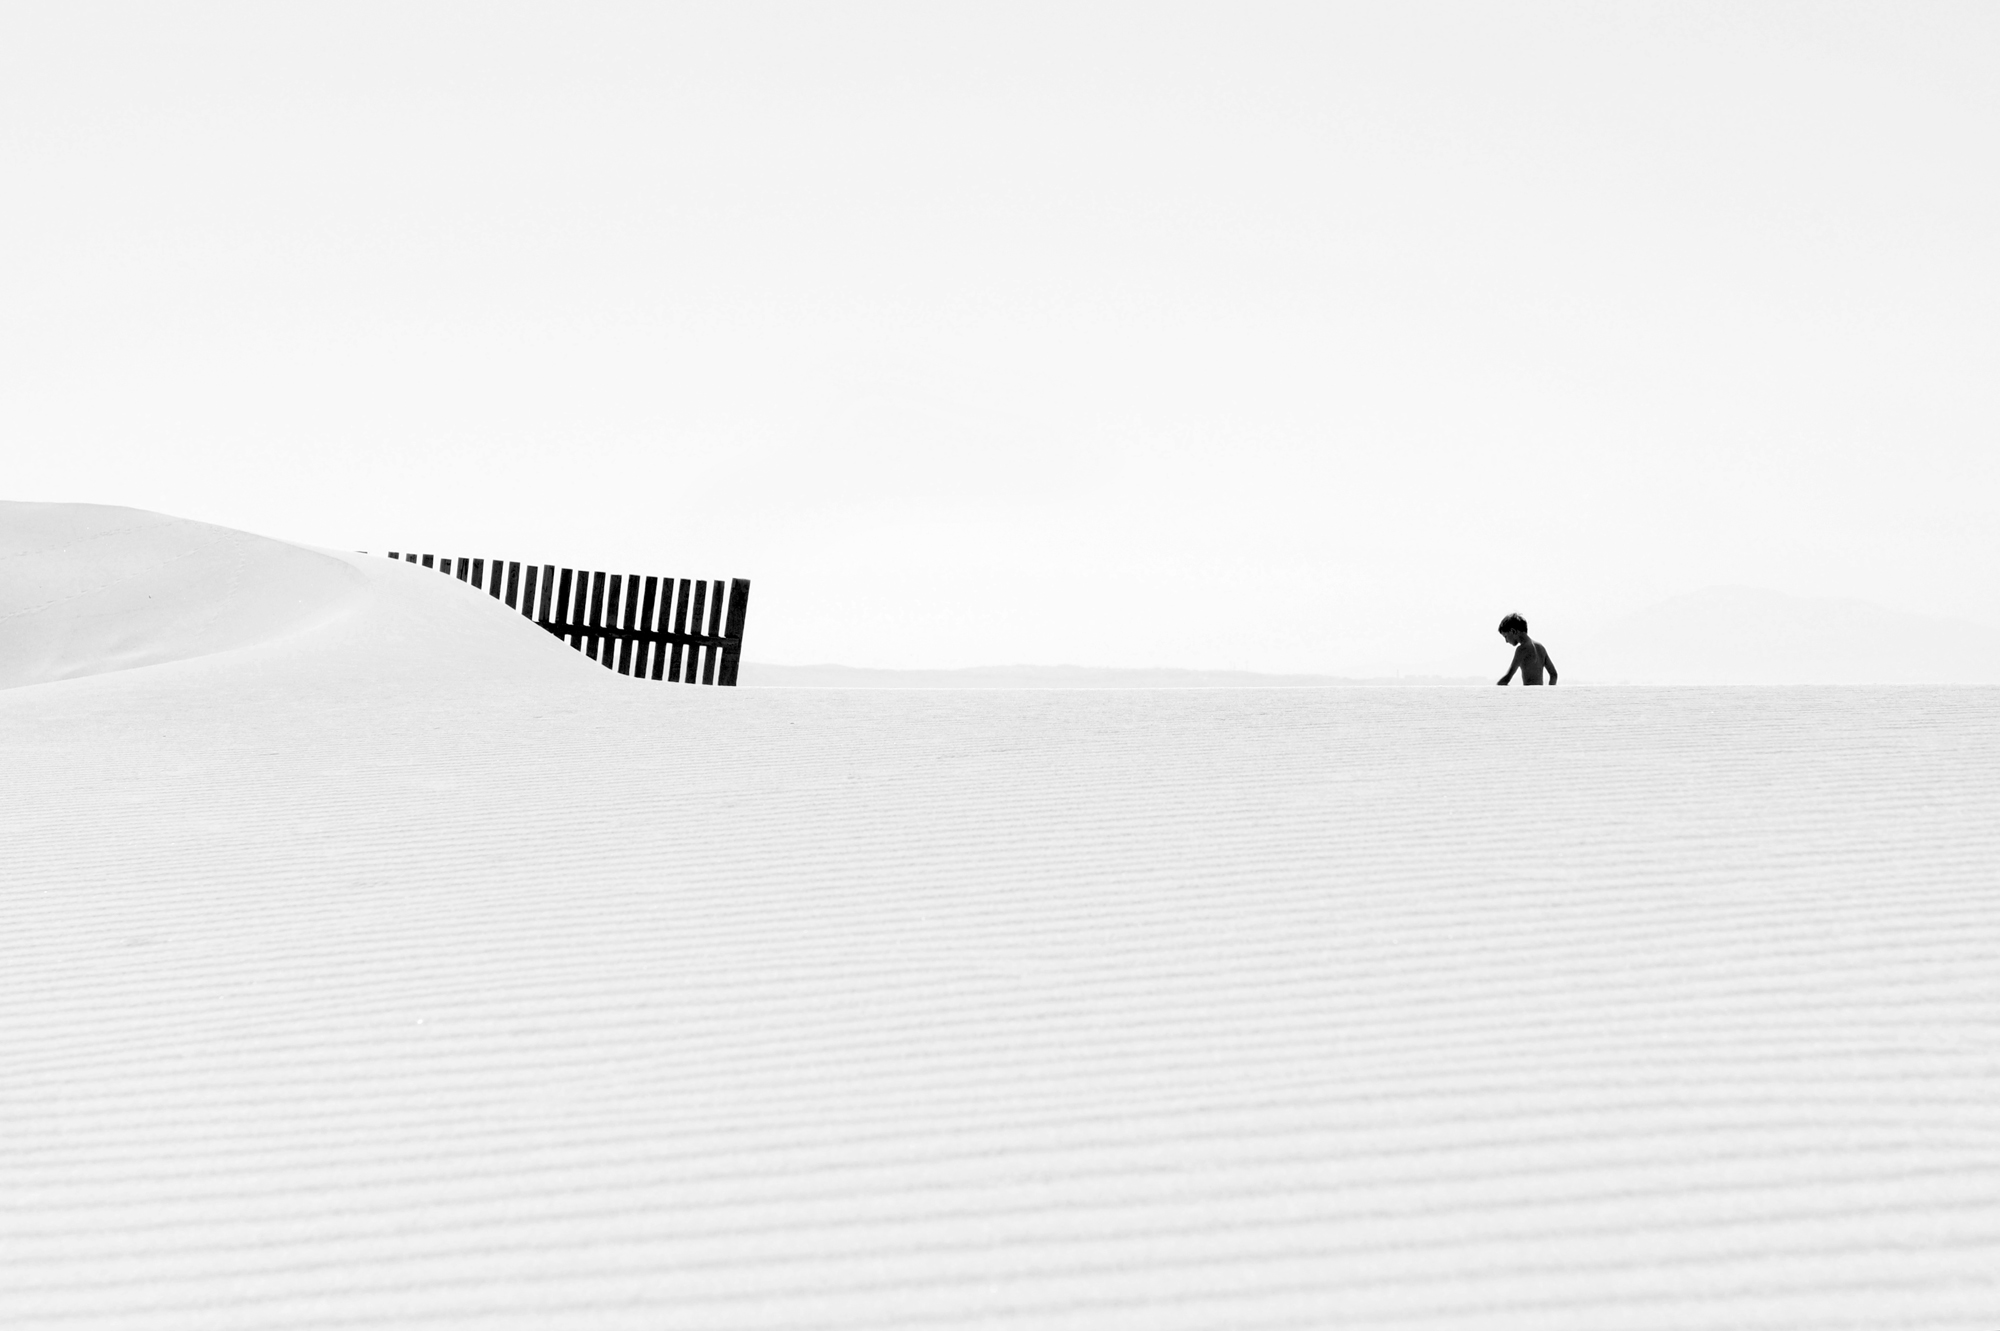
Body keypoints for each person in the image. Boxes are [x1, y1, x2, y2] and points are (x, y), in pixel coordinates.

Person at [1495, 612, 1557, 686]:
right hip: (1540, 694)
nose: (1506, 641)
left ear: (1513, 631)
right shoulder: (1540, 647)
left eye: (1506, 636)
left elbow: (1507, 679)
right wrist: (1549, 693)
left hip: (1529, 695)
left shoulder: (1522, 649)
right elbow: (1554, 675)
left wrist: (1496, 688)